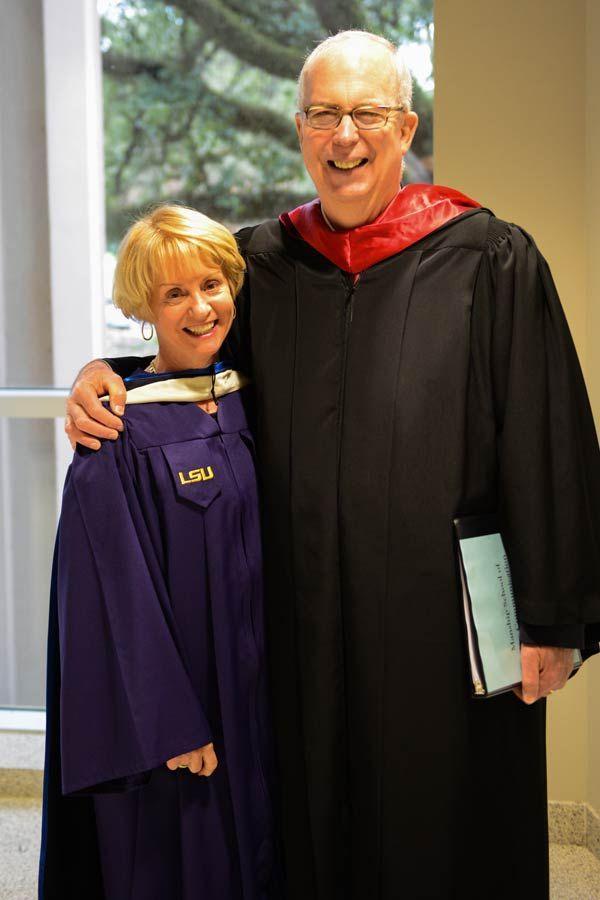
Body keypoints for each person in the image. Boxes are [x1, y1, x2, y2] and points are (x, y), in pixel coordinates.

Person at [64, 31, 600, 900]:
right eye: (322, 115)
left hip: (446, 626)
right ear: (300, 128)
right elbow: (185, 360)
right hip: (296, 616)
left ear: (404, 127)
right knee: (306, 823)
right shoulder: (263, 266)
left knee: (446, 830)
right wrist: (105, 377)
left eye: (367, 114)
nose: (344, 136)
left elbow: (549, 438)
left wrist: (551, 621)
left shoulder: (490, 259)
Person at [39, 205, 278, 900]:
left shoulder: (248, 402)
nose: (200, 307)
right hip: (182, 717)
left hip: (259, 694)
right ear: (144, 306)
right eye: (175, 293)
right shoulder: (118, 438)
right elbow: (114, 603)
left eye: (212, 284)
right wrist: (169, 724)